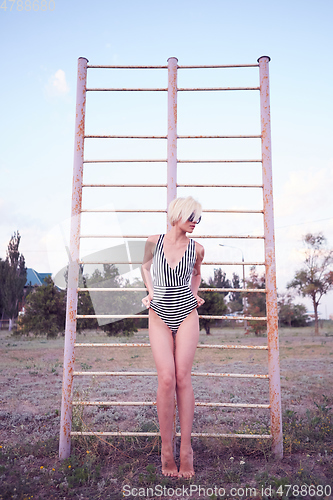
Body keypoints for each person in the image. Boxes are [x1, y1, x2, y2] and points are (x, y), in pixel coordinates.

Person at [141, 196, 205, 479]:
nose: (195, 222)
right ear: (177, 214)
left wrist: (194, 291)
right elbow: (145, 268)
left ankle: (187, 449)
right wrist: (151, 290)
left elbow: (197, 275)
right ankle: (167, 449)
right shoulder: (153, 241)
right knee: (166, 378)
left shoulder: (198, 249)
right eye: (192, 216)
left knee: (182, 378)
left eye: (198, 218)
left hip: (187, 314)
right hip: (159, 313)